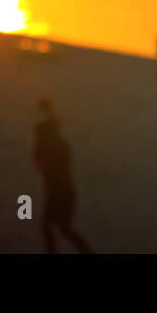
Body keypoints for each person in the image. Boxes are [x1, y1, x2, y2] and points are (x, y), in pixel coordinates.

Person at [32, 97, 93, 253]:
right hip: (61, 192)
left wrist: (49, 111)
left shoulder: (55, 146)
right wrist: (49, 111)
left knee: (52, 227)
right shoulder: (56, 144)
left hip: (59, 192)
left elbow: (44, 164)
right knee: (61, 228)